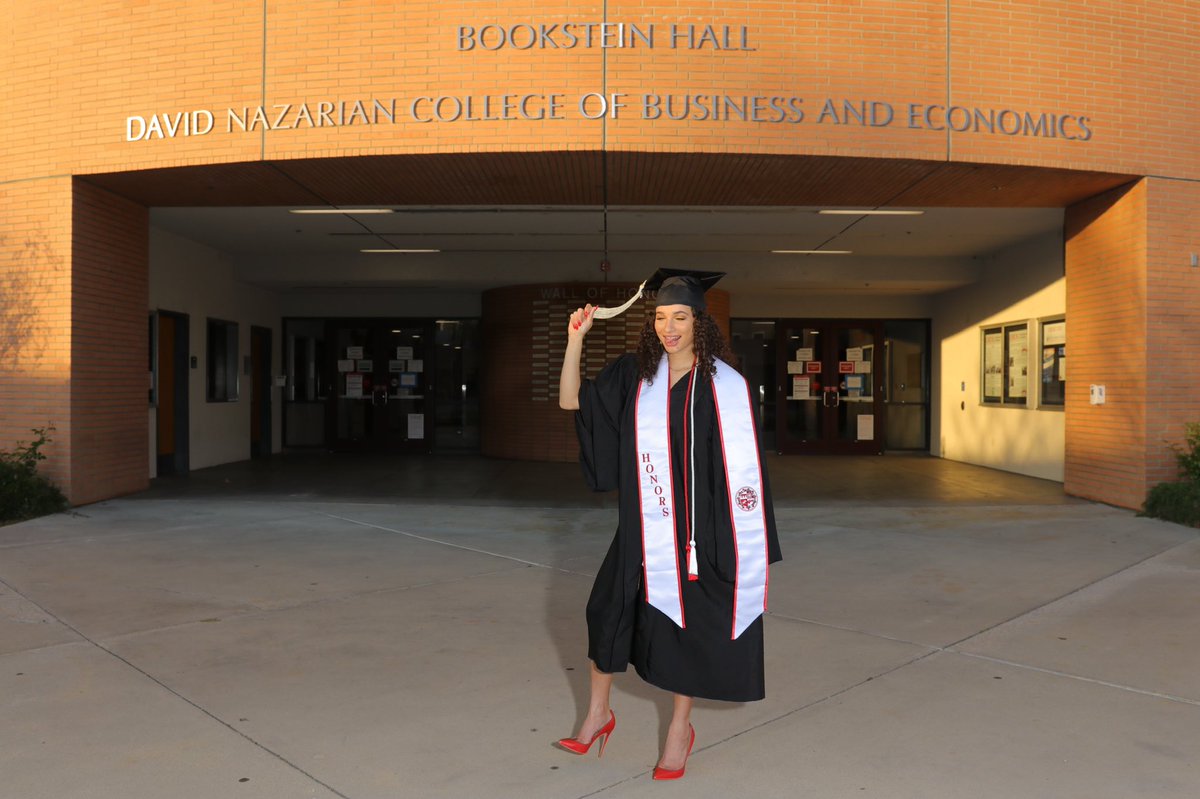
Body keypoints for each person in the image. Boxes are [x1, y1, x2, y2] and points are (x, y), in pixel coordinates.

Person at [555, 269, 782, 780]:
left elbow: (746, 470)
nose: (668, 327)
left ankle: (679, 729)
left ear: (699, 321)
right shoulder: (637, 375)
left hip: (698, 536)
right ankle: (598, 714)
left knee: (686, 629)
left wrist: (738, 542)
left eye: (679, 316)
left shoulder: (725, 386)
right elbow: (573, 401)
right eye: (659, 317)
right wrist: (576, 341)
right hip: (643, 523)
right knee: (607, 613)